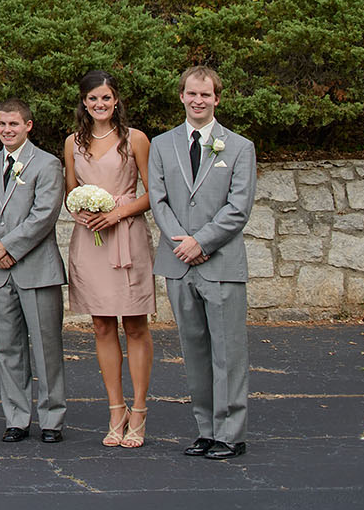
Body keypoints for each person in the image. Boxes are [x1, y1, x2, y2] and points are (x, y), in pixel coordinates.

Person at [148, 66, 257, 461]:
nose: (198, 101)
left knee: (228, 352)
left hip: (220, 262)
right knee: (194, 350)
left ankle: (231, 433)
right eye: (191, 94)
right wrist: (183, 243)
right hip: (179, 262)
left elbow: (238, 207)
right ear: (181, 96)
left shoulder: (240, 147)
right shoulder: (162, 145)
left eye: (205, 95)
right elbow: (158, 200)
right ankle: (206, 429)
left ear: (217, 99)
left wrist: (202, 242)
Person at [62, 69, 155, 450]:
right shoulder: (72, 142)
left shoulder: (135, 139)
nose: (99, 104)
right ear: (84, 102)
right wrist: (81, 212)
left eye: (106, 98)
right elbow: (71, 192)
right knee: (101, 325)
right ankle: (115, 409)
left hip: (126, 235)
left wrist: (117, 213)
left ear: (116, 101)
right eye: (93, 98)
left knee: (134, 324)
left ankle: (139, 410)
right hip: (91, 240)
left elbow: (153, 193)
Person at [0, 98, 68, 444]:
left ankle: (52, 419)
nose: (7, 130)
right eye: (1, 124)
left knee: (46, 348)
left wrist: (8, 247)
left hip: (37, 269)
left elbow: (44, 214)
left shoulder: (47, 163)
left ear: (28, 125)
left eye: (14, 124)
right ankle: (16, 417)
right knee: (9, 348)